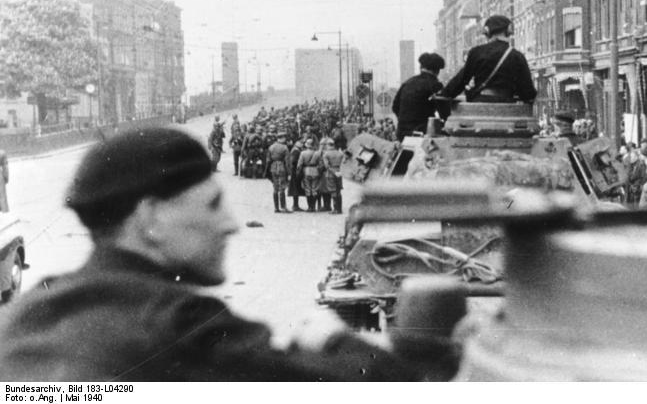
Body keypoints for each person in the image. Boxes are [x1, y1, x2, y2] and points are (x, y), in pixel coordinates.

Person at [0, 127, 421, 381]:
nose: (232, 224)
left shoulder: (33, 309)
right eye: (213, 205)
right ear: (151, 218)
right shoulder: (181, 325)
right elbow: (390, 384)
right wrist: (331, 336)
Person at [440, 15, 536, 103]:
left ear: (487, 32)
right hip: (507, 106)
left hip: (480, 104)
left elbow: (461, 80)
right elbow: (528, 93)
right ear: (508, 31)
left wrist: (444, 94)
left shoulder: (476, 52)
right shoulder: (517, 56)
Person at [392, 52, 446, 140]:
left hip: (402, 134)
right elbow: (444, 111)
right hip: (423, 134)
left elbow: (395, 107)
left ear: (421, 67)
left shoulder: (407, 83)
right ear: (437, 71)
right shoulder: (435, 85)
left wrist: (407, 123)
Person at [267, 131, 291, 213]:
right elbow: (287, 162)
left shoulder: (271, 147)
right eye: (284, 138)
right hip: (281, 167)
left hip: (273, 167)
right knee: (282, 187)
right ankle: (283, 207)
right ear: (282, 138)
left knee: (275, 187)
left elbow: (268, 160)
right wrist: (289, 173)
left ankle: (276, 208)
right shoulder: (285, 148)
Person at [296, 138, 322, 212]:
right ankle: (313, 207)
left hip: (306, 171)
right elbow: (321, 164)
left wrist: (298, 173)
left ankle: (309, 207)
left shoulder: (303, 153)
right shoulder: (317, 153)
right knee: (314, 189)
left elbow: (299, 165)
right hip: (315, 171)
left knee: (307, 189)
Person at [321, 137, 344, 214]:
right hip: (339, 172)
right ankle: (339, 209)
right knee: (339, 190)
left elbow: (327, 166)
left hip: (331, 173)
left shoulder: (326, 154)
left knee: (333, 191)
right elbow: (344, 164)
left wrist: (333, 172)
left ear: (328, 145)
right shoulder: (340, 153)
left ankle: (335, 209)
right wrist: (339, 171)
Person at [288, 139, 305, 212]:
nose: (302, 145)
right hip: (295, 172)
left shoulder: (295, 150)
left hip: (294, 171)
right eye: (301, 143)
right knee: (295, 188)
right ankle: (295, 205)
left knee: (296, 188)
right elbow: (293, 162)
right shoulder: (296, 151)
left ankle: (296, 205)